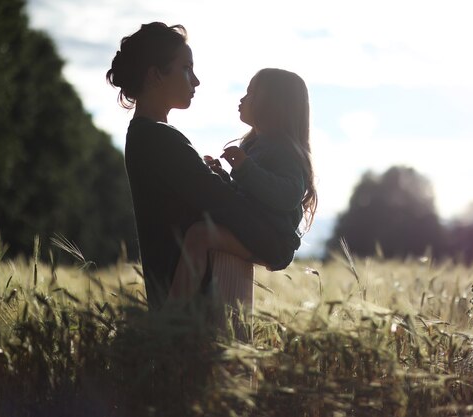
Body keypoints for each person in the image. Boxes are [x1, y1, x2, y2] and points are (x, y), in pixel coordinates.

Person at [106, 22, 301, 311]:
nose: (195, 80)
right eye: (186, 68)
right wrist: (278, 242)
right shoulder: (157, 138)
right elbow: (225, 204)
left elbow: (212, 198)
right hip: (191, 308)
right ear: (155, 75)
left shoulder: (145, 136)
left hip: (184, 300)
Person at [167, 68, 317, 301]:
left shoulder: (285, 150)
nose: (242, 99)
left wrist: (246, 169)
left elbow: (288, 195)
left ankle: (171, 316)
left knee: (200, 234)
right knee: (198, 231)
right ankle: (184, 315)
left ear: (273, 104)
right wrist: (223, 177)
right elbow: (248, 196)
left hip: (273, 239)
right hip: (257, 229)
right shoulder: (253, 145)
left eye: (250, 93)